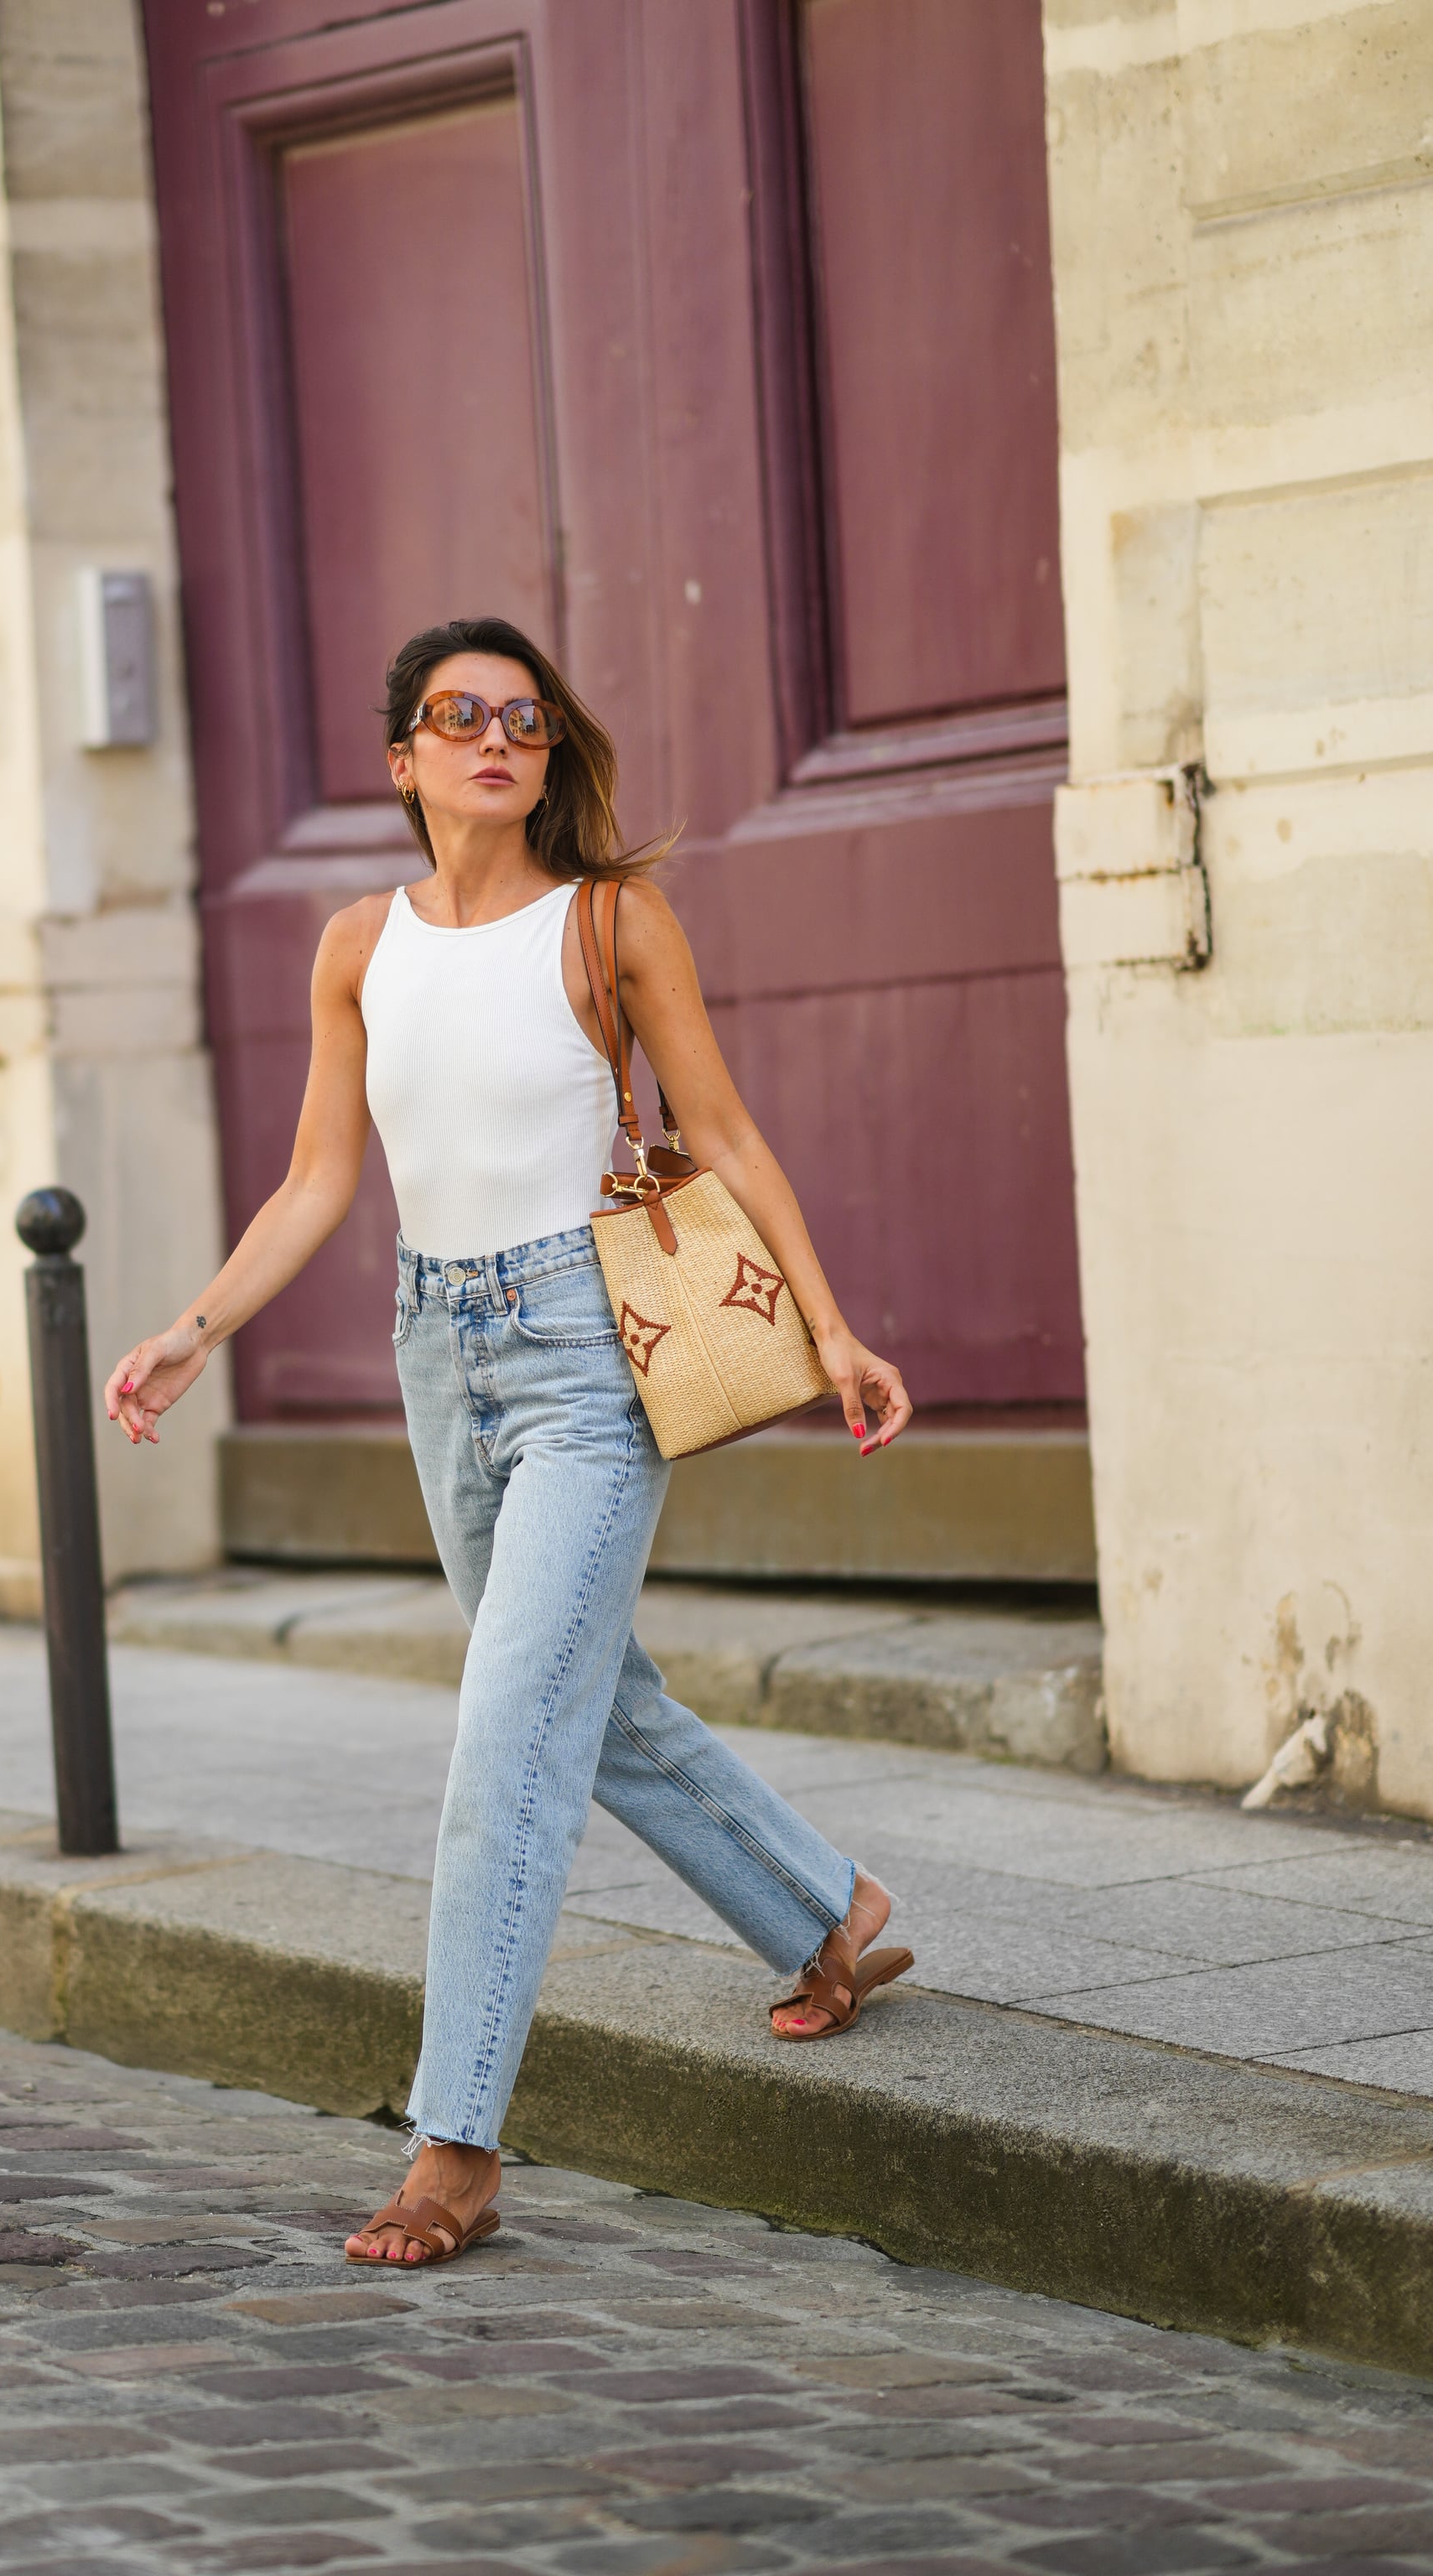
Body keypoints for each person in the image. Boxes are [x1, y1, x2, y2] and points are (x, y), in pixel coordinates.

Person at [103, 615, 914, 2269]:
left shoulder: (609, 921)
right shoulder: (356, 945)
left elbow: (727, 1132)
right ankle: (826, 1916)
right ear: (403, 757)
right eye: (457, 716)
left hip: (582, 1357)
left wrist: (826, 1326)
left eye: (525, 720)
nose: (495, 739)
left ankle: (453, 2146)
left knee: (506, 1742)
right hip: (435, 1347)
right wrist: (195, 1331)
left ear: (550, 754)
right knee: (584, 1698)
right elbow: (319, 1179)